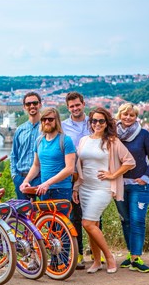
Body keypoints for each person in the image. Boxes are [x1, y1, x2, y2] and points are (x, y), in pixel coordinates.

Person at [73, 107, 135, 274]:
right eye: (94, 120)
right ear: (90, 122)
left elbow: (129, 161)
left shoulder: (113, 141)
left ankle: (109, 257)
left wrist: (113, 174)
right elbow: (80, 165)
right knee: (93, 224)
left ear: (107, 123)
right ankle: (96, 261)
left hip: (103, 188)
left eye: (101, 121)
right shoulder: (84, 140)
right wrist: (76, 187)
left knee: (87, 223)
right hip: (85, 187)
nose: (97, 124)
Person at [20, 107, 76, 212]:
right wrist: (26, 181)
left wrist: (47, 183)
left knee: (61, 225)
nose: (47, 122)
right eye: (44, 119)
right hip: (44, 190)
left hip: (61, 189)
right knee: (46, 223)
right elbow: (36, 165)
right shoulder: (39, 141)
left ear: (57, 121)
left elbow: (70, 169)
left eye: (50, 119)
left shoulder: (65, 140)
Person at [114, 103, 149, 272]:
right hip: (119, 185)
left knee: (137, 220)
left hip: (138, 185)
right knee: (125, 220)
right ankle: (130, 254)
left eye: (132, 115)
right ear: (119, 115)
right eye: (125, 114)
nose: (128, 118)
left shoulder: (143, 134)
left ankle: (136, 257)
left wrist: (145, 177)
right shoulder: (113, 135)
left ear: (136, 117)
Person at [61, 91, 89, 270]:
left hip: (93, 173)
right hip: (74, 175)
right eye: (71, 106)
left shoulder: (94, 121)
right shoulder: (63, 126)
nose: (75, 108)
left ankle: (95, 253)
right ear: (68, 108)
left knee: (95, 215)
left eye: (77, 105)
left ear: (83, 104)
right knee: (75, 215)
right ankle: (77, 253)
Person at [10, 91, 42, 200]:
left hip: (41, 178)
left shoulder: (47, 128)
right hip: (21, 177)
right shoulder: (20, 129)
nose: (32, 106)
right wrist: (14, 175)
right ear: (24, 107)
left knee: (44, 214)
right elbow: (14, 155)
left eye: (35, 103)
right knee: (23, 215)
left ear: (40, 105)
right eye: (28, 104)